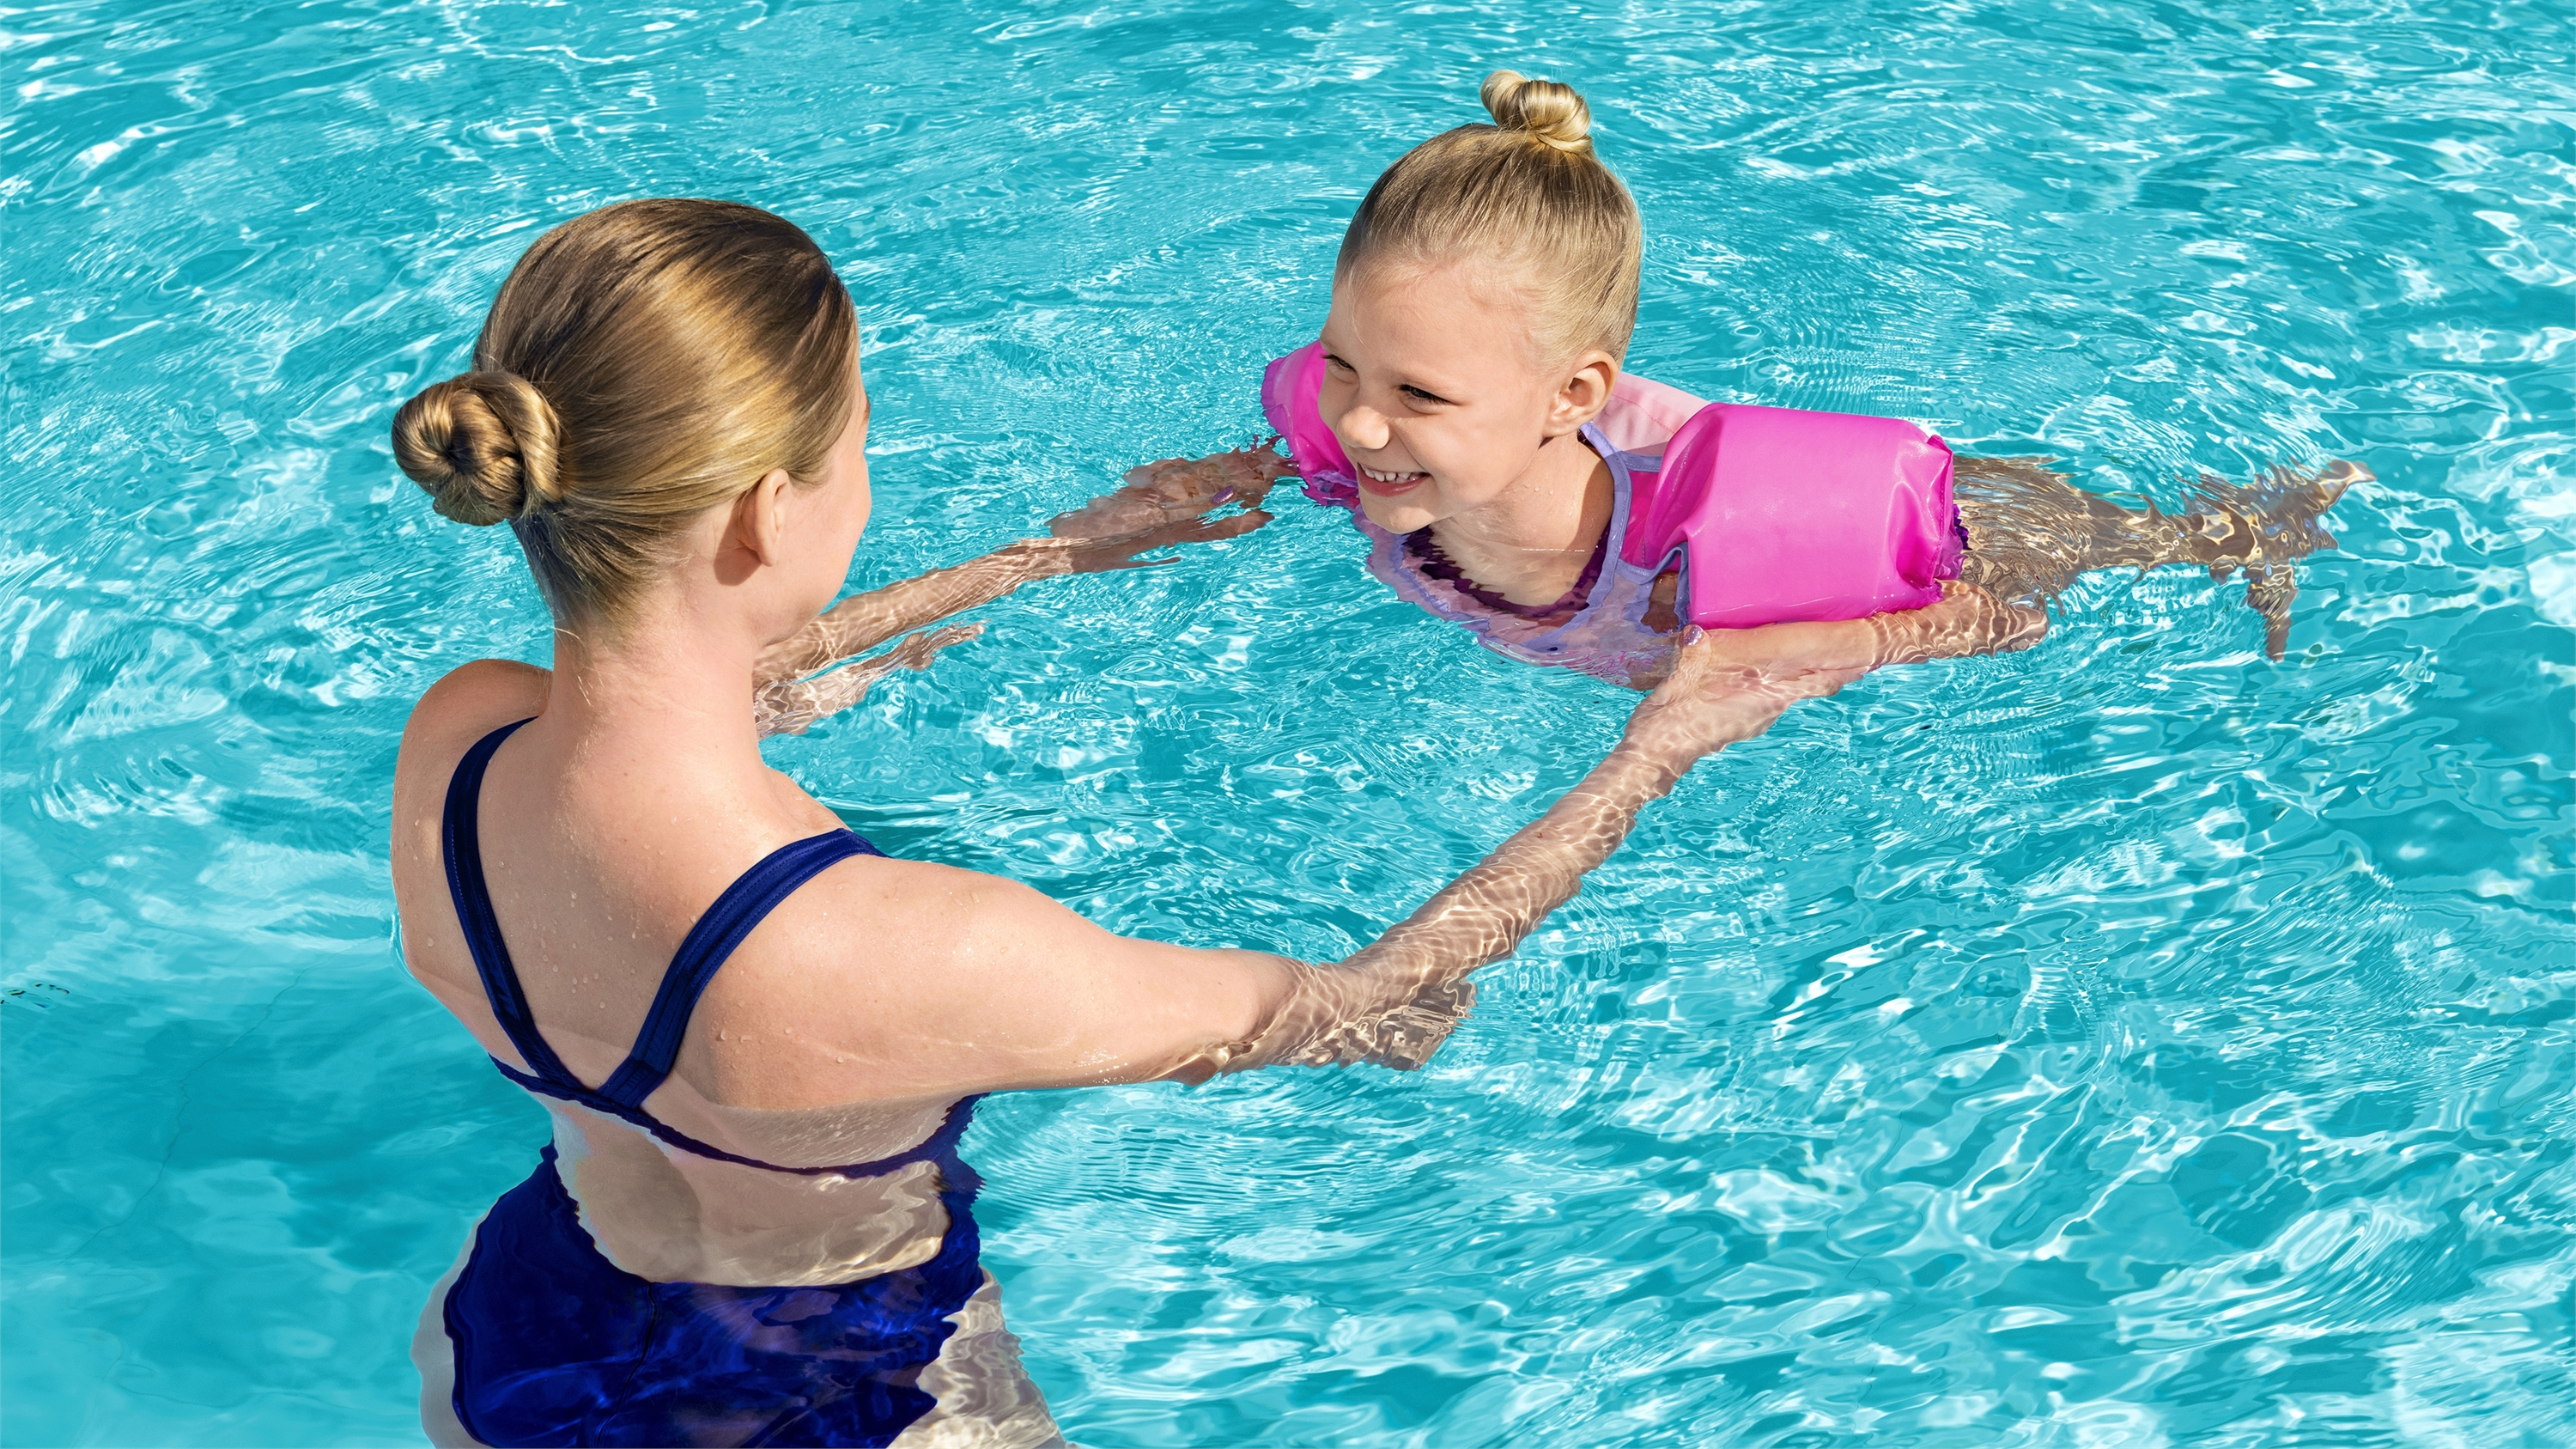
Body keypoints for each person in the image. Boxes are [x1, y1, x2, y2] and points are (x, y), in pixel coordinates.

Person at [386, 198, 2029, 1447]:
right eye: (860, 442)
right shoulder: (891, 950)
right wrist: (1668, 738)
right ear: (768, 509)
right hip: (846, 1403)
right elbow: (1378, 1014)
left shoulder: (457, 750)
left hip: (521, 1330)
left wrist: (1053, 555)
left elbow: (704, 689)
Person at [1057, 71, 2366, 687]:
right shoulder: (1364, 454)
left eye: (1416, 395)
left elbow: (1992, 621)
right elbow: (1293, 458)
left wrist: (1800, 661)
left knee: (2110, 548)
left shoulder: (1697, 573)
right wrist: (1147, 512)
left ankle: (2259, 521)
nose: (1353, 419)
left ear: (1573, 397)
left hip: (1944, 534)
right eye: (1344, 363)